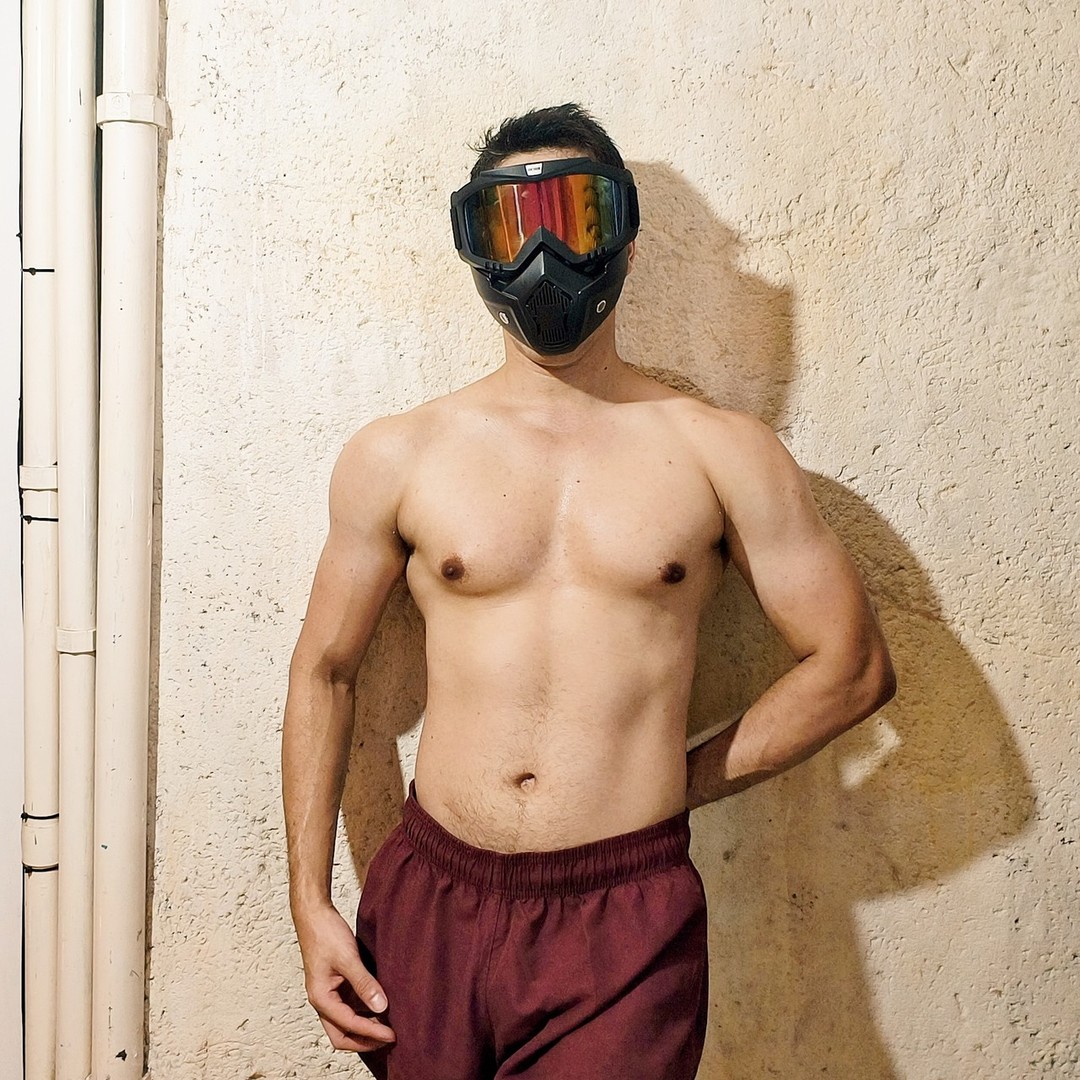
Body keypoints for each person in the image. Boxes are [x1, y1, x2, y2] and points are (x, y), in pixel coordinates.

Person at [282, 102, 896, 1080]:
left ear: (626, 237)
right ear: (472, 244)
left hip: (622, 915)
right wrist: (310, 903)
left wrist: (677, 782)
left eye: (575, 218)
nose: (543, 257)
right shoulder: (399, 454)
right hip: (430, 893)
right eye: (510, 227)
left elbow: (852, 668)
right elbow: (324, 672)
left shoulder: (721, 451)